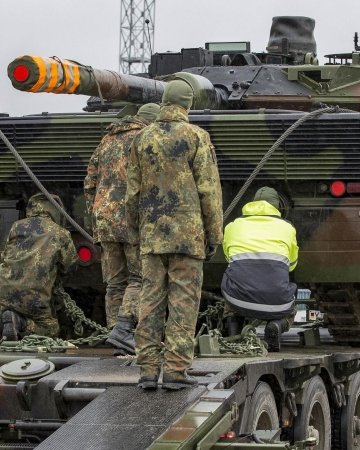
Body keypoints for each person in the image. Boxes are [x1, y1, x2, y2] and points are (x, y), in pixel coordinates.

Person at [126, 79, 223, 390]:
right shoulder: (197, 137)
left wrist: (135, 233)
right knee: (183, 302)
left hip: (152, 236)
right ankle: (175, 371)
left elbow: (131, 193)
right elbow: (209, 191)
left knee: (150, 301)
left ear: (165, 102)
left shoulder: (142, 139)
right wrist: (214, 235)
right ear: (188, 105)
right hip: (187, 237)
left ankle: (147, 370)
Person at [84, 103, 160, 355]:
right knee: (140, 278)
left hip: (104, 218)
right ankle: (125, 332)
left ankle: (116, 339)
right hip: (132, 219)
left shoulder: (108, 139)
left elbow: (90, 180)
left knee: (115, 283)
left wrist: (94, 213)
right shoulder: (146, 139)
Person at [0, 193, 79, 340]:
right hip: (33, 295)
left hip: (0, 288)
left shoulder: (17, 226)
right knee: (51, 330)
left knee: (9, 301)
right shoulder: (61, 233)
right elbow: (71, 266)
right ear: (56, 210)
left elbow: (5, 256)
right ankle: (21, 324)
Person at [221, 187, 299, 352]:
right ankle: (277, 325)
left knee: (232, 276)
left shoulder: (232, 226)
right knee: (290, 301)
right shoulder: (288, 228)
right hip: (278, 303)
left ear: (253, 203)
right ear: (277, 207)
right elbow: (292, 264)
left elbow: (229, 258)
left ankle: (233, 331)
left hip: (237, 300)